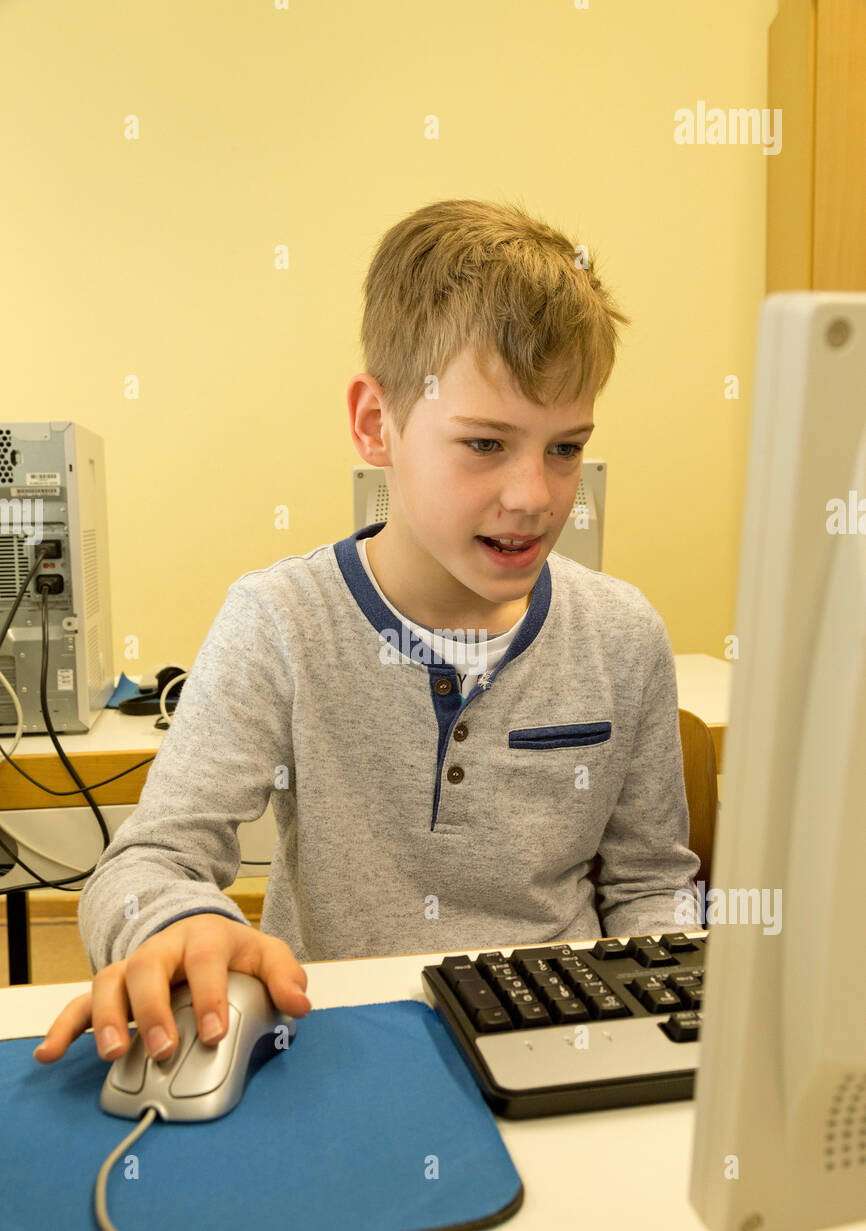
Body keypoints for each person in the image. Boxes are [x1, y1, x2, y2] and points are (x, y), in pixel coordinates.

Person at [34, 197, 699, 1071]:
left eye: (566, 449)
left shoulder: (624, 634)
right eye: (486, 444)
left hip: (557, 1039)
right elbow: (148, 861)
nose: (535, 497)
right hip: (337, 1041)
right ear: (375, 425)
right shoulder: (280, 620)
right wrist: (179, 920)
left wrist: (672, 1014)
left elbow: (653, 884)